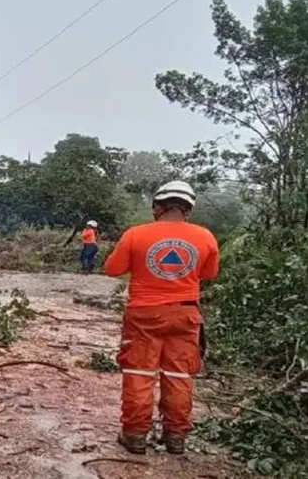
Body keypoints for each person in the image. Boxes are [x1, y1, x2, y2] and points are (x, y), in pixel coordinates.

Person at [103, 181, 219, 455]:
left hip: (144, 314)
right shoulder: (205, 237)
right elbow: (209, 273)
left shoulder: (136, 234)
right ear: (188, 209)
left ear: (157, 206)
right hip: (186, 315)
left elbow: (112, 269)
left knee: (139, 374)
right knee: (179, 375)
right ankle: (176, 437)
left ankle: (134, 436)